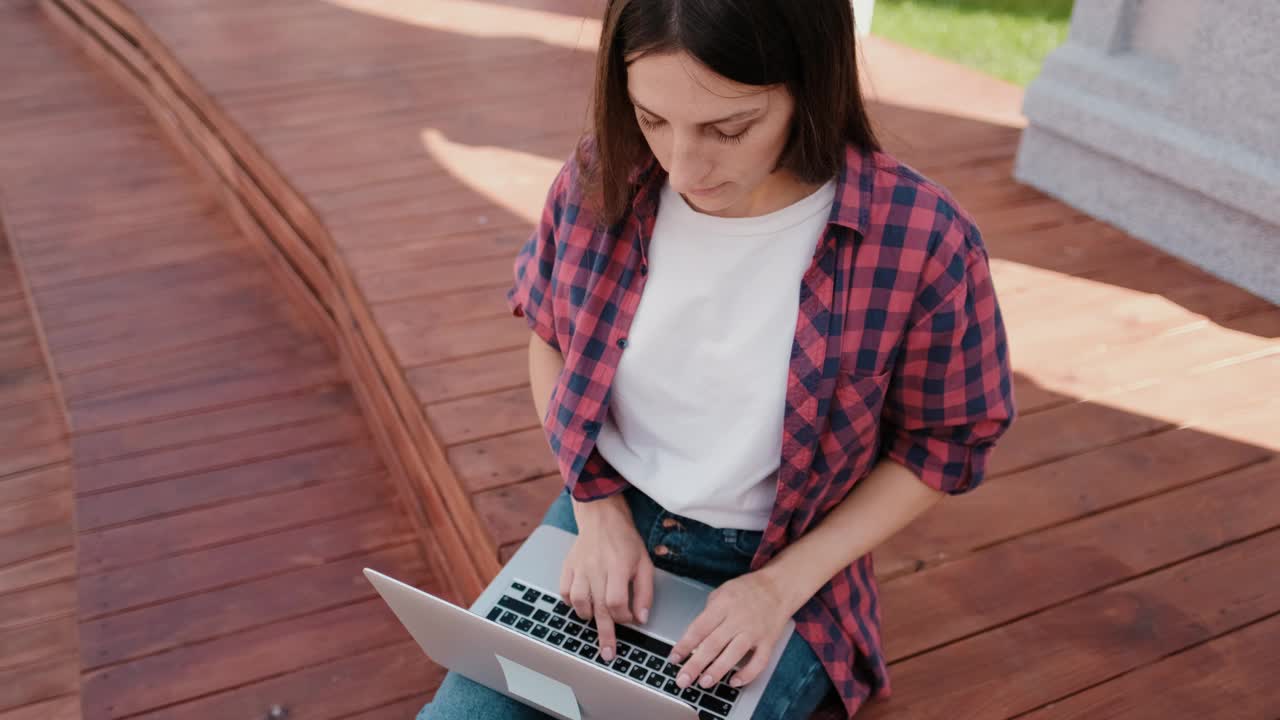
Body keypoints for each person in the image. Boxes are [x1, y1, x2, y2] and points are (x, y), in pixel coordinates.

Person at [419, 0, 1015, 717]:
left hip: (784, 559)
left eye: (728, 129)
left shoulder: (920, 239)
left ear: (811, 86)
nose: (681, 164)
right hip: (608, 514)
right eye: (651, 119)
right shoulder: (601, 177)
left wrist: (779, 589)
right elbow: (548, 335)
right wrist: (594, 505)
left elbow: (944, 442)